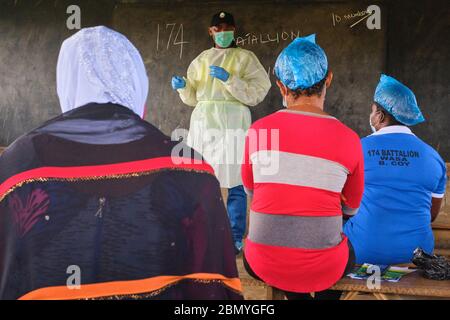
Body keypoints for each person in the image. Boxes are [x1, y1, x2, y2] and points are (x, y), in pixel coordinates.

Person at [0, 26, 242, 300]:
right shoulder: (190, 168)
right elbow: (214, 288)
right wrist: (185, 88)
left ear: (65, 81)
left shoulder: (17, 164)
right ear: (137, 80)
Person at [241, 35, 364, 300]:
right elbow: (351, 208)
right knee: (346, 251)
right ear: (328, 79)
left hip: (260, 259)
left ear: (281, 87)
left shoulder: (258, 131)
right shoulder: (349, 138)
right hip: (325, 265)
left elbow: (253, 193)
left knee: (288, 261)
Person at [171, 12, 271, 254]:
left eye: (227, 28)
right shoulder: (201, 60)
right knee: (204, 180)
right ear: (211, 31)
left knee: (236, 180)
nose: (222, 32)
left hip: (235, 122)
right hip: (206, 123)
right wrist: (184, 88)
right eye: (218, 28)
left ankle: (235, 238)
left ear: (234, 30)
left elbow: (259, 91)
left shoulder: (245, 58)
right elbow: (193, 97)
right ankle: (201, 234)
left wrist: (231, 80)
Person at [344, 75, 447, 265]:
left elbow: (346, 207)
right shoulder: (433, 157)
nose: (371, 116)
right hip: (418, 257)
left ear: (381, 116)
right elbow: (431, 215)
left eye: (373, 111)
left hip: (362, 252)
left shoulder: (358, 148)